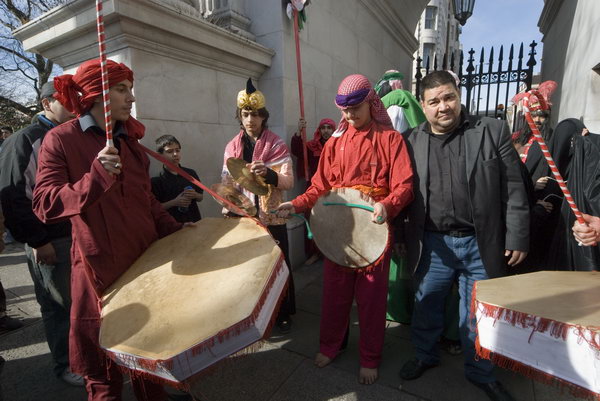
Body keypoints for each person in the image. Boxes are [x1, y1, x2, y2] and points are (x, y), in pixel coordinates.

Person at [32, 59, 185, 401]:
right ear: (95, 94)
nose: (131, 97)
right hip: (98, 274)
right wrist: (95, 177)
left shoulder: (131, 143)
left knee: (149, 366)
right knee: (103, 378)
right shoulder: (60, 140)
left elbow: (146, 202)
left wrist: (180, 234)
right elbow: (45, 204)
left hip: (146, 269)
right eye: (121, 89)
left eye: (130, 88)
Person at [399, 71, 529, 401]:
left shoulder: (490, 131)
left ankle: (481, 372)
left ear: (458, 97)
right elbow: (403, 193)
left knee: (477, 315)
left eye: (449, 97)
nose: (443, 107)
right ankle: (425, 355)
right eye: (434, 101)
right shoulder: (410, 141)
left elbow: (514, 188)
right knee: (427, 305)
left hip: (480, 243)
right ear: (423, 106)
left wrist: (517, 236)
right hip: (433, 243)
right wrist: (401, 234)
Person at [276, 74, 414, 385]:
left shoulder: (391, 140)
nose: (350, 115)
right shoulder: (334, 144)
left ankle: (370, 357)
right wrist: (296, 204)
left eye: (356, 108)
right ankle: (330, 345)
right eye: (345, 110)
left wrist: (388, 205)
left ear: (371, 102)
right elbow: (318, 188)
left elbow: (405, 186)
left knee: (371, 298)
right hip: (338, 229)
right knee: (335, 294)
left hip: (374, 228)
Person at [0, 81, 83, 385]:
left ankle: (84, 357)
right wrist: (38, 240)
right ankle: (66, 365)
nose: (76, 108)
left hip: (75, 235)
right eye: (68, 100)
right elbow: (13, 196)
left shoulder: (70, 136)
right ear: (47, 103)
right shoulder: (25, 140)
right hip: (50, 240)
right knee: (59, 306)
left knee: (80, 303)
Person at [221, 78, 295, 333]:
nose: (250, 119)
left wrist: (269, 174)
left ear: (263, 117)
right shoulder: (232, 146)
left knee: (277, 266)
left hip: (272, 217)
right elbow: (226, 183)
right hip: (245, 218)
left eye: (255, 114)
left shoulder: (277, 144)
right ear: (239, 117)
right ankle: (253, 315)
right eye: (245, 114)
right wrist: (227, 201)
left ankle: (282, 313)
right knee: (250, 270)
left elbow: (288, 181)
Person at [290, 117, 336, 265]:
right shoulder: (312, 146)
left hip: (333, 190)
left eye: (329, 128)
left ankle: (330, 252)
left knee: (331, 222)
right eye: (323, 128)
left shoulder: (338, 145)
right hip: (314, 188)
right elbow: (297, 150)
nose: (326, 131)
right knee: (312, 220)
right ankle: (314, 253)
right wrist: (299, 130)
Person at [151, 134, 203, 223]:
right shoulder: (156, 180)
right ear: (159, 156)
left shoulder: (190, 173)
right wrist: (174, 202)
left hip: (195, 221)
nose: (175, 154)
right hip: (173, 226)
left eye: (177, 150)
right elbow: (154, 208)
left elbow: (200, 197)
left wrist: (195, 195)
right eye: (170, 151)